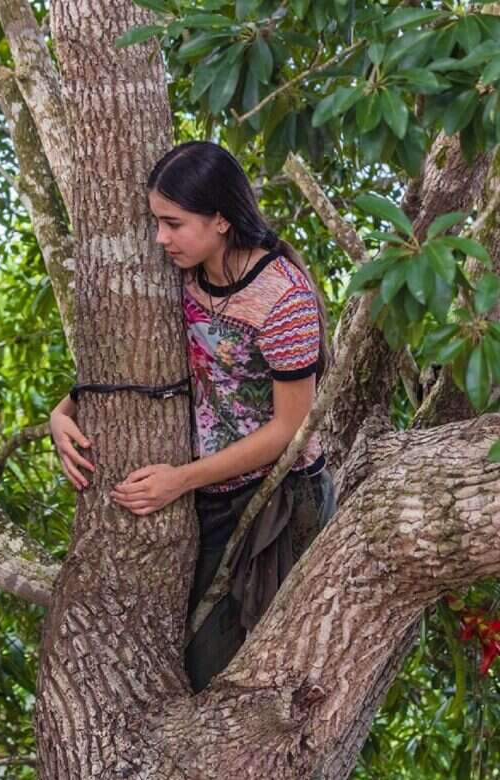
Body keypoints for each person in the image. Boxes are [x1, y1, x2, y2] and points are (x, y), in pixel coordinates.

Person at [48, 140, 338, 693]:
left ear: (222, 219)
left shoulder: (284, 299)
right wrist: (62, 414)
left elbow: (288, 430)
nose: (160, 238)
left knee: (226, 676)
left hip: (277, 500)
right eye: (157, 222)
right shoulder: (180, 277)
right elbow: (137, 366)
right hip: (210, 491)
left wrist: (179, 480)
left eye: (173, 223)